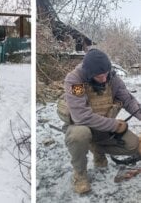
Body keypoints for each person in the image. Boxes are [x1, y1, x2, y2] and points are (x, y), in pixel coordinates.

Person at [59, 48, 141, 194]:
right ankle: (80, 175)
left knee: (135, 145)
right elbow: (81, 117)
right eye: (99, 76)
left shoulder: (112, 77)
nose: (104, 79)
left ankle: (97, 149)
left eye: (106, 74)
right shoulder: (75, 80)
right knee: (79, 135)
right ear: (89, 74)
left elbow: (128, 101)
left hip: (104, 129)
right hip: (82, 128)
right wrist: (115, 125)